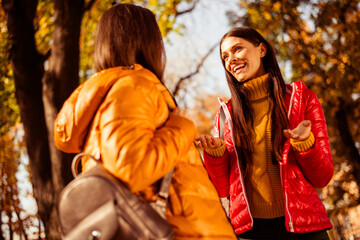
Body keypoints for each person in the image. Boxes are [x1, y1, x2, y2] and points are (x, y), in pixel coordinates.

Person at [53, 3, 237, 240]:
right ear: (146, 41)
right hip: (178, 231)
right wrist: (182, 127)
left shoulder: (114, 94)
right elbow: (131, 168)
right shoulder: (134, 86)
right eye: (157, 37)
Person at [196, 27, 333, 240]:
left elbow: (322, 177)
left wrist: (305, 142)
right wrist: (216, 154)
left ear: (261, 49)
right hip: (252, 232)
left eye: (237, 49)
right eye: (225, 56)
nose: (231, 59)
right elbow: (223, 189)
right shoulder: (225, 116)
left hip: (305, 227)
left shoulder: (300, 99)